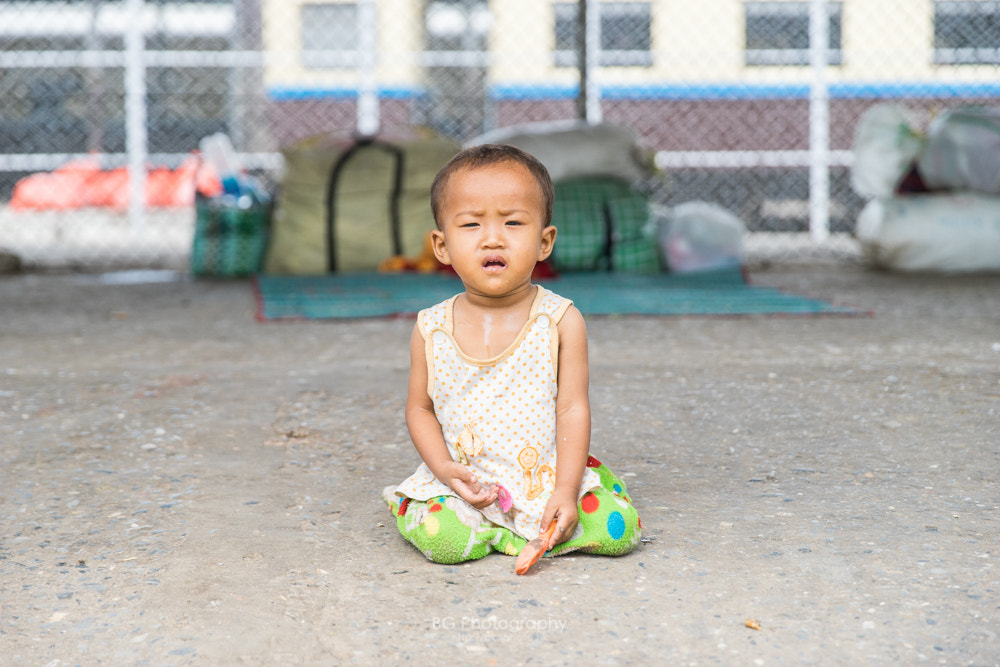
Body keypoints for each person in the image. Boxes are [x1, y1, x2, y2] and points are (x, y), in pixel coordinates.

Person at [382, 144, 641, 565]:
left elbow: (573, 409)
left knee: (617, 531)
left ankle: (531, 523)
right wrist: (445, 470)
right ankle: (453, 516)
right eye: (470, 224)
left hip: (541, 480)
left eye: (514, 222)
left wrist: (564, 489)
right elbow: (419, 409)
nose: (492, 238)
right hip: (466, 486)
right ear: (441, 246)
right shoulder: (431, 328)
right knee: (445, 541)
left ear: (544, 241)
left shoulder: (559, 320)